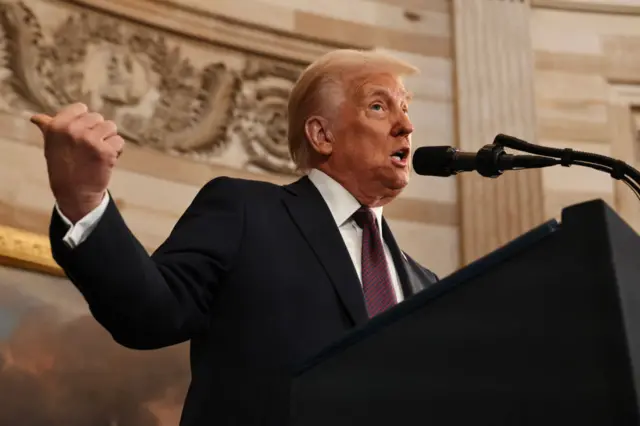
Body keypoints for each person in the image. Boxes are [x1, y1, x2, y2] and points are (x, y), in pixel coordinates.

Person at [31, 49, 439, 426]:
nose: (406, 125)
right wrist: (84, 202)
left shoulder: (426, 285)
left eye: (404, 108)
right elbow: (150, 314)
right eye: (378, 106)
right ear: (322, 135)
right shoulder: (247, 212)